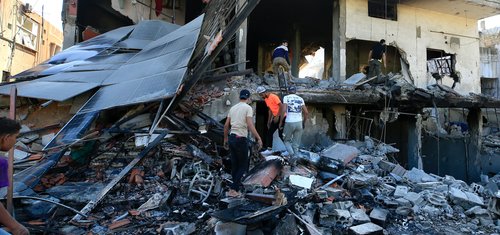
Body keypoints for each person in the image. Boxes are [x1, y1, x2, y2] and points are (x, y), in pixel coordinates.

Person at [223, 90, 263, 197]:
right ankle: (234, 190)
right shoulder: (248, 108)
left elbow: (226, 126)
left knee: (235, 164)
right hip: (240, 139)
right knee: (243, 165)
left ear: (240, 97)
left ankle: (234, 187)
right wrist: (258, 138)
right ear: (248, 98)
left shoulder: (233, 108)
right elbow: (250, 125)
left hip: (232, 138)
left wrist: (225, 139)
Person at [0, 117, 29, 235]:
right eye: (15, 137)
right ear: (6, 138)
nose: (15, 141)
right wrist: (16, 227)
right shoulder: (1, 163)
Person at [280, 86, 308, 158]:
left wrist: (280, 122)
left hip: (289, 122)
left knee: (286, 140)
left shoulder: (286, 97)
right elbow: (306, 112)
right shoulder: (300, 99)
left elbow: (283, 110)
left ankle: (292, 155)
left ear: (288, 91)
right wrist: (304, 122)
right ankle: (294, 164)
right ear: (295, 91)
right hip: (299, 122)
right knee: (296, 145)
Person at [256, 86, 283, 150]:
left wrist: (277, 116)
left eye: (261, 94)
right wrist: (269, 121)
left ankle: (289, 150)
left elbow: (281, 106)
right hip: (275, 117)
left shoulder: (273, 96)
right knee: (269, 133)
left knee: (281, 134)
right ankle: (269, 149)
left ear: (264, 92)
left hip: (281, 117)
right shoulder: (266, 99)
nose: (261, 96)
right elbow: (270, 110)